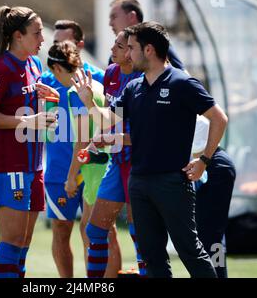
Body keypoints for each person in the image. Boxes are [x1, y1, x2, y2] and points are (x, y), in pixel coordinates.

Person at [72, 21, 228, 278]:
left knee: (190, 251)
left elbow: (218, 118)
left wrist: (204, 161)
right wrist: (89, 103)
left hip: (172, 183)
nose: (128, 53)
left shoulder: (182, 82)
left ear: (149, 50)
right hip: (139, 182)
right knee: (151, 255)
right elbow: (107, 120)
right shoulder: (134, 87)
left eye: (132, 47)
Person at [0, 5, 57, 278]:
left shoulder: (33, 64)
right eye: (37, 33)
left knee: (23, 244)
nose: (43, 39)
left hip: (33, 166)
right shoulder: (1, 68)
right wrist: (26, 121)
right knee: (11, 243)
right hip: (8, 166)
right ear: (18, 36)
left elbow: (25, 106)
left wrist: (47, 100)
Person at [41, 20, 108, 278]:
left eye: (63, 43)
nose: (58, 46)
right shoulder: (45, 82)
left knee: (93, 232)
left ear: (78, 46)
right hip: (60, 168)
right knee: (61, 229)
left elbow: (87, 134)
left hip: (88, 167)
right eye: (55, 42)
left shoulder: (93, 80)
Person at [86, 30, 145, 278]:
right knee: (95, 230)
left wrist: (116, 138)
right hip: (117, 160)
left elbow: (150, 135)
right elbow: (111, 118)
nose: (113, 50)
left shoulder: (146, 79)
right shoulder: (111, 72)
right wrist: (89, 103)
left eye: (119, 46)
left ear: (132, 53)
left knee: (140, 233)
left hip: (140, 164)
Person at [192, 116, 236, 278]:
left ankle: (218, 274)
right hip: (211, 165)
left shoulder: (197, 119)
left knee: (212, 235)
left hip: (216, 167)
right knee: (208, 235)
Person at [108, 0, 185, 70]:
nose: (110, 23)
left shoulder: (156, 42)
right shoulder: (114, 58)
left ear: (131, 16)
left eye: (114, 17)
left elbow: (182, 75)